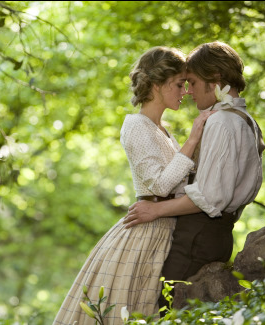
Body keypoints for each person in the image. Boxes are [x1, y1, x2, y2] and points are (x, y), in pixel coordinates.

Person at [53, 46, 215, 324]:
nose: (185, 91)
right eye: (179, 84)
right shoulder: (136, 125)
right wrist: (193, 139)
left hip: (165, 227)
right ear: (157, 84)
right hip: (146, 231)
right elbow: (160, 185)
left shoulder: (162, 130)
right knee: (132, 310)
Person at [122, 41, 265, 311]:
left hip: (199, 233)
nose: (189, 92)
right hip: (214, 231)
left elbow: (210, 197)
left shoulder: (222, 122)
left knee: (166, 310)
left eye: (192, 82)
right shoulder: (245, 119)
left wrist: (155, 210)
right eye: (181, 84)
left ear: (215, 80)